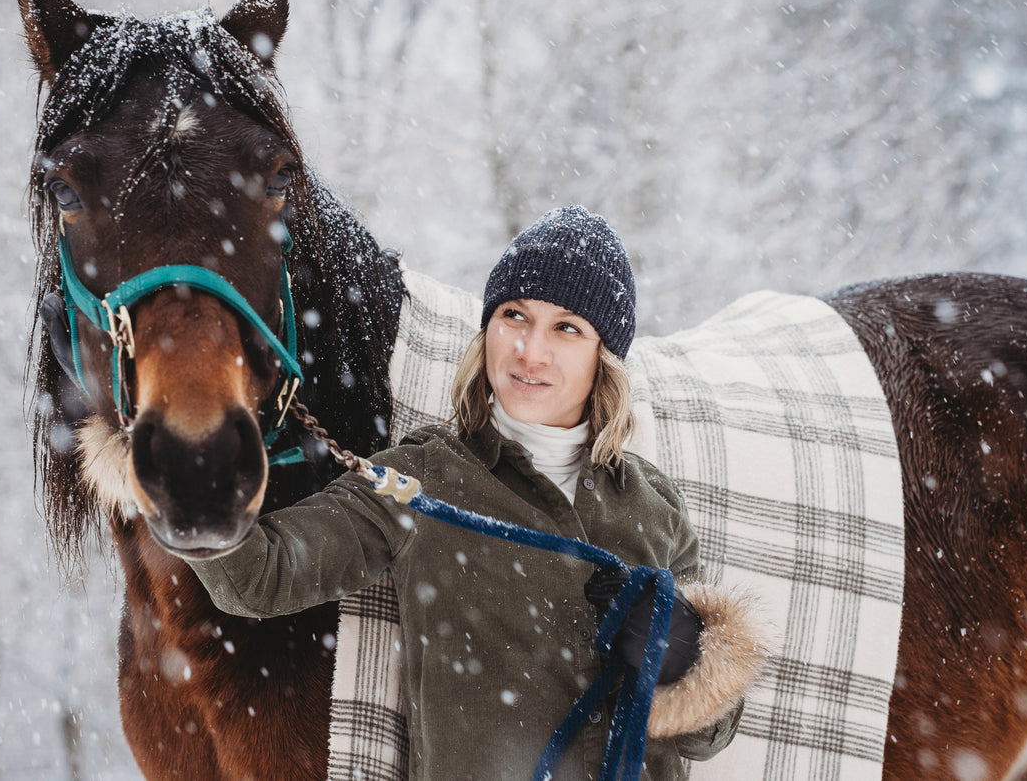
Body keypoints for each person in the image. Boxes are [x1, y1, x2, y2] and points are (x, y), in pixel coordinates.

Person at [185, 206, 769, 781]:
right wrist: (188, 478)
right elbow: (260, 577)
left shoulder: (654, 506)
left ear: (603, 356)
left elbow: (707, 738)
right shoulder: (425, 479)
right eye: (515, 315)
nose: (530, 350)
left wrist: (681, 655)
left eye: (567, 327)